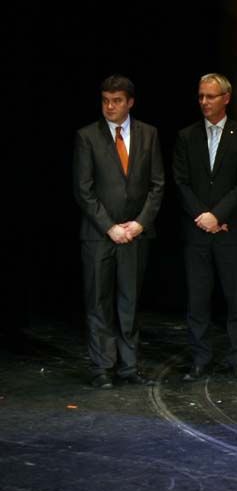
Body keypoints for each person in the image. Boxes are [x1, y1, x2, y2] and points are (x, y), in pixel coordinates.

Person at [73, 74, 165, 389]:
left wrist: (139, 223)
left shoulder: (148, 134)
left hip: (135, 233)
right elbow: (83, 190)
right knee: (98, 301)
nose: (109, 106)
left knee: (130, 301)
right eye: (105, 101)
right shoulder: (87, 136)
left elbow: (157, 185)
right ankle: (102, 367)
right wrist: (110, 227)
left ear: (130, 103)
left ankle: (129, 367)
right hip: (99, 234)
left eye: (116, 101)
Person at [174, 73, 237, 383]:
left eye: (210, 96)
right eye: (201, 96)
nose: (204, 102)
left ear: (226, 98)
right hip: (197, 231)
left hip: (230, 230)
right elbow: (181, 182)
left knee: (236, 297)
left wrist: (218, 216)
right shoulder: (186, 136)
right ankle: (200, 359)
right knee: (198, 299)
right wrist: (202, 216)